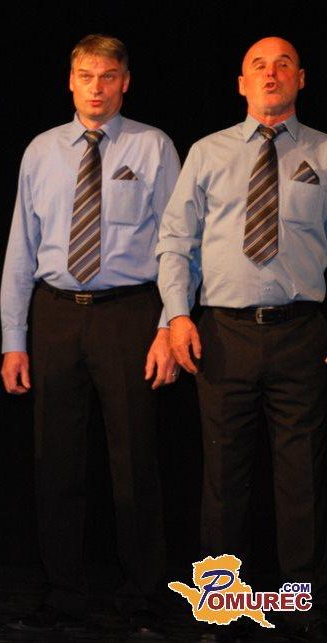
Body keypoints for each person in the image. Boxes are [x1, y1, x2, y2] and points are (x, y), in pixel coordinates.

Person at [0, 34, 180, 636]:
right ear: (70, 81)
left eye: (107, 76)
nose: (96, 88)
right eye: (85, 76)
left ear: (125, 81)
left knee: (135, 461)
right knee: (56, 463)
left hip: (129, 313)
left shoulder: (153, 146)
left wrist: (168, 325)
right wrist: (14, 338)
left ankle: (142, 598)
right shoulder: (41, 150)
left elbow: (177, 244)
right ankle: (62, 596)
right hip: (55, 314)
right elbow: (21, 249)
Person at [157, 36, 327, 639]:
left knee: (302, 477)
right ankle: (221, 606)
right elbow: (176, 241)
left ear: (301, 78)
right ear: (241, 82)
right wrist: (177, 316)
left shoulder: (324, 152)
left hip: (301, 331)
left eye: (283, 64)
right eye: (258, 65)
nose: (270, 73)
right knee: (224, 476)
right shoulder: (208, 152)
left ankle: (302, 607)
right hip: (222, 333)